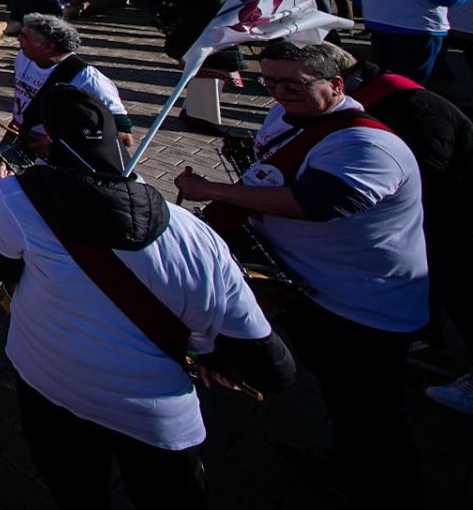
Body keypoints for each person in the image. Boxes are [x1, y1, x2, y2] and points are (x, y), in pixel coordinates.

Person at [0, 89, 294, 509]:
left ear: (51, 142)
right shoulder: (198, 237)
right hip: (153, 415)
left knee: (75, 494)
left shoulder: (17, 198)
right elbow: (274, 369)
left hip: (49, 383)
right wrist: (213, 355)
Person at [174, 40, 428, 504]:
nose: (278, 91)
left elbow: (317, 203)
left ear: (335, 84)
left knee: (374, 412)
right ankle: (351, 466)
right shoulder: (285, 115)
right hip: (310, 289)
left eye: (293, 83)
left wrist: (213, 190)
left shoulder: (367, 145)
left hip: (361, 306)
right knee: (343, 399)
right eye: (269, 81)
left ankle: (394, 490)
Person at [335, 48, 473, 414]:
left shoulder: (413, 106)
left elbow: (430, 174)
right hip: (432, 216)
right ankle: (426, 337)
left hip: (453, 215)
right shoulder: (381, 97)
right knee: (437, 280)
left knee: (459, 287)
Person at [152, 0, 241, 133]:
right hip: (203, 35)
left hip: (189, 34)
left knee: (201, 75)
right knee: (208, 78)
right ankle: (201, 118)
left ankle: (191, 110)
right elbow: (218, 8)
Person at [10, 13, 131, 146]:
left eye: (25, 37)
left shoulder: (89, 81)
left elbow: (124, 137)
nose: (18, 39)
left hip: (57, 152)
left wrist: (59, 144)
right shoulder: (23, 57)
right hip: (21, 137)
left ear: (48, 46)